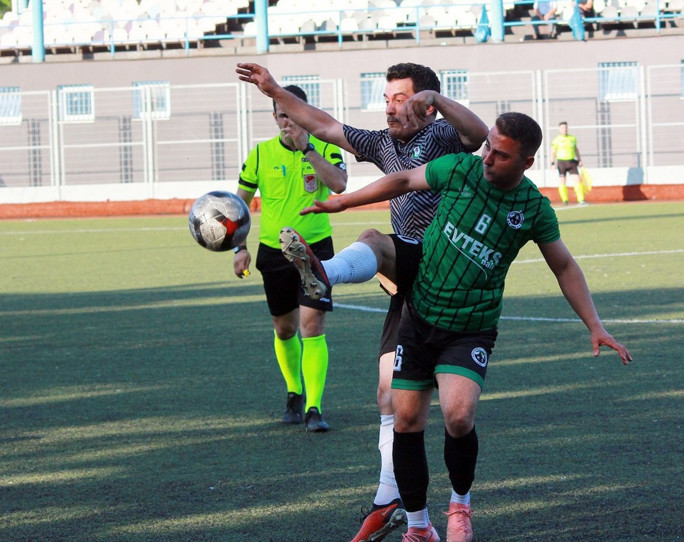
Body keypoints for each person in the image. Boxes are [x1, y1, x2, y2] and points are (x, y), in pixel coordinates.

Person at [288, 112, 632, 541]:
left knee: (459, 415)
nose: (487, 158)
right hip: (420, 315)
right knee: (406, 422)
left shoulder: (533, 209)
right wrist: (342, 201)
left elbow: (563, 265)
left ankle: (460, 507)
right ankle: (418, 527)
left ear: (526, 162)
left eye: (500, 154)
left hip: (471, 327)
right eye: (487, 145)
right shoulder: (460, 168)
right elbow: (401, 181)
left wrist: (594, 324)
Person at [236, 62, 488, 541]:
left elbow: (476, 133)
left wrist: (438, 98)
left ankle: (456, 505)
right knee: (386, 395)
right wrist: (272, 91)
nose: (389, 105)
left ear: (425, 102)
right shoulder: (381, 142)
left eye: (400, 97)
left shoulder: (442, 139)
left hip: (448, 277)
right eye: (387, 96)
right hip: (407, 283)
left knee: (456, 415)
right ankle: (393, 502)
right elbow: (324, 124)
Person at [232, 85, 347, 433]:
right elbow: (238, 206)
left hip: (314, 249)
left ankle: (314, 406)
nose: (288, 122)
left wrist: (308, 149)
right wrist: (240, 248)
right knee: (285, 329)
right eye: (282, 115)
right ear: (274, 116)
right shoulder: (260, 154)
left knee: (313, 326)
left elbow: (340, 184)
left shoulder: (325, 147)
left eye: (294, 114)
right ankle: (293, 392)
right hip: (272, 252)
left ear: (304, 113)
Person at [550, 121, 586, 205]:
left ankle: (581, 200)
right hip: (561, 162)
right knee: (562, 181)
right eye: (562, 128)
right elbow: (552, 152)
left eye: (565, 127)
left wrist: (579, 160)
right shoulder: (556, 140)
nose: (564, 129)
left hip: (572, 162)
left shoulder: (572, 138)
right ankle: (565, 200)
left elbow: (576, 150)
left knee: (577, 180)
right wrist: (552, 163)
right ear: (559, 129)